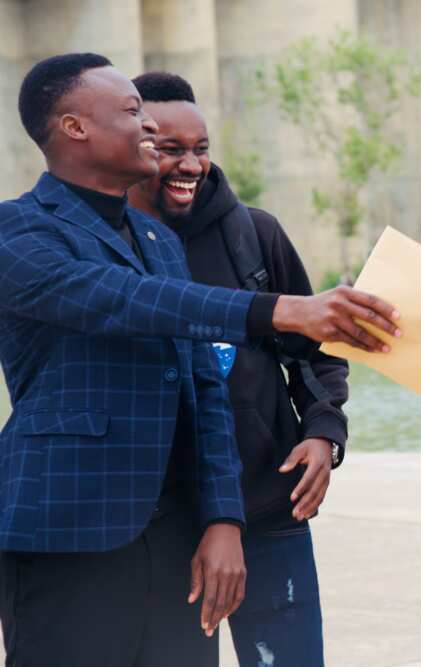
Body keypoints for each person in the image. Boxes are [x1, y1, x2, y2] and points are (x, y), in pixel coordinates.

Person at [0, 54, 399, 667]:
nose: (149, 131)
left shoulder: (161, 242)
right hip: (68, 537)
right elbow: (124, 300)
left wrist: (222, 519)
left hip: (183, 539)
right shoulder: (18, 231)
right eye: (133, 113)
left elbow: (207, 395)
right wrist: (279, 310)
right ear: (74, 127)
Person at [129, 71, 345, 666]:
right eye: (171, 150)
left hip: (269, 508)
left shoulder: (255, 234)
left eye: (200, 149)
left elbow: (317, 354)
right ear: (134, 144)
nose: (190, 165)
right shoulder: (111, 247)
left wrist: (325, 435)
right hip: (158, 524)